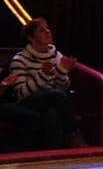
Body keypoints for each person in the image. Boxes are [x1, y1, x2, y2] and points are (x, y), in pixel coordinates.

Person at [5, 17, 82, 149]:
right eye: (41, 31)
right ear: (31, 38)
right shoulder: (20, 59)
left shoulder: (56, 55)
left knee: (51, 114)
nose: (48, 32)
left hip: (51, 100)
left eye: (48, 29)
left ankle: (51, 157)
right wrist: (43, 75)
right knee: (56, 95)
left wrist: (63, 71)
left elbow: (63, 87)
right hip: (27, 101)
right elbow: (21, 93)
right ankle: (72, 135)